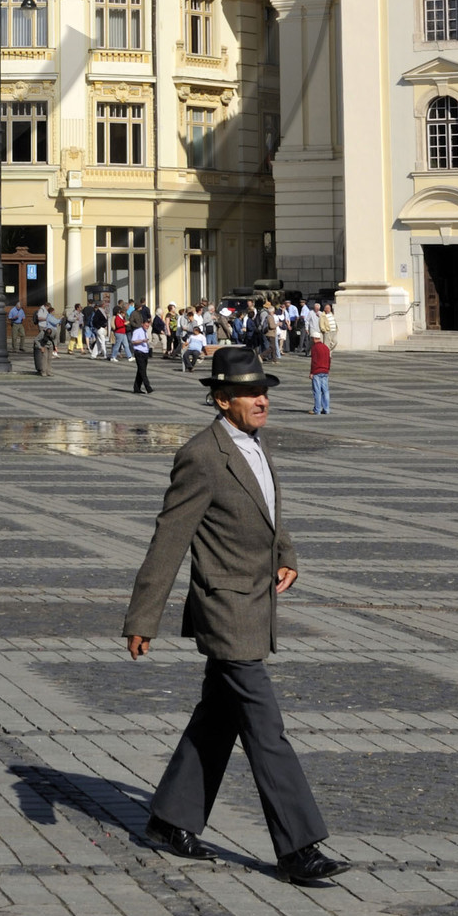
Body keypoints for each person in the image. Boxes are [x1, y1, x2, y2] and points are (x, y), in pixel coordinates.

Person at [122, 344, 348, 887]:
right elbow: (169, 539)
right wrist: (142, 618)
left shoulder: (253, 444)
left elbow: (268, 514)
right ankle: (297, 847)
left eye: (264, 390)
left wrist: (286, 554)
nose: (262, 399)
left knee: (218, 719)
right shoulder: (202, 456)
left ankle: (169, 819)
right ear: (223, 401)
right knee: (266, 727)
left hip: (255, 601)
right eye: (249, 392)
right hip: (226, 611)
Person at [129, 305, 153, 394]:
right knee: (143, 371)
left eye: (148, 325)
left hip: (145, 353)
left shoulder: (145, 331)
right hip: (139, 353)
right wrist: (142, 341)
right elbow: (133, 341)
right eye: (146, 325)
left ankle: (136, 388)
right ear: (142, 324)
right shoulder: (137, 331)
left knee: (140, 371)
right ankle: (148, 387)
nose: (147, 326)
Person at [309, 330, 332, 415]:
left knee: (317, 391)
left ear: (314, 338)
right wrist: (328, 369)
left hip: (317, 371)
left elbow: (314, 361)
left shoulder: (315, 348)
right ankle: (326, 409)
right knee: (325, 391)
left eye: (312, 339)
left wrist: (311, 372)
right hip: (325, 371)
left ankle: (317, 410)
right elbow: (329, 360)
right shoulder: (326, 347)